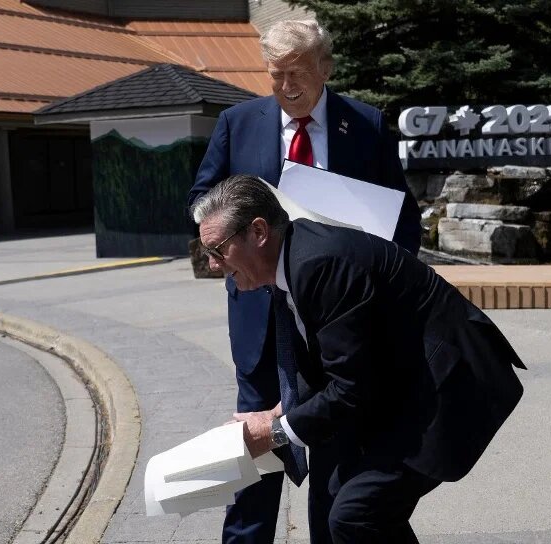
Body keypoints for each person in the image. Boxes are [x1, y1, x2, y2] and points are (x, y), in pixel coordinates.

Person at [191, 175, 526, 544]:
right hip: (399, 382)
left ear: (258, 232)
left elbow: (351, 389)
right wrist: (276, 412)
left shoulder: (319, 266)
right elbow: (331, 362)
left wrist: (272, 432)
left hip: (447, 386)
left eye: (218, 249)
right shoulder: (292, 262)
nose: (211, 263)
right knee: (346, 501)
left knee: (356, 514)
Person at [187, 19, 421, 544]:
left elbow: (404, 221)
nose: (287, 87)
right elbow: (200, 200)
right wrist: (228, 237)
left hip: (338, 315)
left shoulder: (365, 125)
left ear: (326, 69)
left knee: (339, 444)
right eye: (275, 76)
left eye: (298, 73)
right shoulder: (237, 122)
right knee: (255, 449)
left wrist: (380, 281)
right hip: (259, 315)